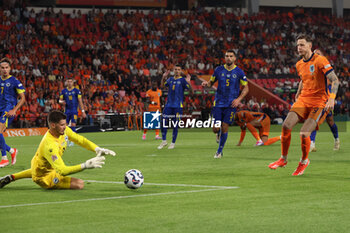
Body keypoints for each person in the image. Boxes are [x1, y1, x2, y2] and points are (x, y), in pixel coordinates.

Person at [268, 35, 339, 176]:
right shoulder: (299, 64)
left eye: (302, 45)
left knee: (304, 133)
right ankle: (283, 159)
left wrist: (331, 99)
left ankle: (304, 161)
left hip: (319, 102)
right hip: (303, 100)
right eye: (298, 45)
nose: (299, 48)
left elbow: (335, 80)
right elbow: (303, 79)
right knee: (286, 125)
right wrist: (299, 92)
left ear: (309, 45)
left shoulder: (320, 60)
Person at [0, 110, 116, 189]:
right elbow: (62, 170)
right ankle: (16, 178)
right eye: (62, 125)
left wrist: (96, 148)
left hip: (40, 165)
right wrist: (85, 165)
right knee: (80, 184)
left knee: (39, 168)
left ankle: (11, 177)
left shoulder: (63, 131)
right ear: (53, 125)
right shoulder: (50, 145)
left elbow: (80, 140)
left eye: (65, 124)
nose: (65, 127)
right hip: (44, 177)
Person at [202, 50, 249, 158]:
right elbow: (211, 82)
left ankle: (219, 151)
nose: (228, 58)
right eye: (227, 56)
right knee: (215, 129)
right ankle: (218, 134)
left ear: (235, 58)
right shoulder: (218, 70)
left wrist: (238, 99)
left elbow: (246, 88)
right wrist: (206, 84)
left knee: (225, 126)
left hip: (231, 104)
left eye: (231, 56)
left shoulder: (239, 72)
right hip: (218, 103)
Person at [309, 49, 340, 151]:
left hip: (327, 98)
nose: (316, 55)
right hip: (316, 99)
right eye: (315, 53)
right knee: (314, 119)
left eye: (318, 54)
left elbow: (333, 82)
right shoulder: (311, 68)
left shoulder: (326, 67)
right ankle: (312, 144)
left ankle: (336, 139)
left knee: (330, 121)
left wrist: (331, 98)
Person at [157, 65, 192, 149]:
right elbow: (162, 86)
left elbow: (191, 91)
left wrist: (189, 82)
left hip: (178, 106)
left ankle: (173, 143)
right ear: (173, 70)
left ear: (181, 71)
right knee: (163, 122)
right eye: (175, 69)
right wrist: (163, 77)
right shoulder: (170, 79)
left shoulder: (183, 80)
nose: (177, 71)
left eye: (178, 69)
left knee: (175, 124)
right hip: (168, 105)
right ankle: (164, 141)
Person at [0, 58, 26, 167]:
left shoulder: (14, 81)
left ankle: (4, 158)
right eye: (2, 68)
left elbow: (23, 98)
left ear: (10, 68)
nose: (5, 70)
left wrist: (14, 110)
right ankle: (11, 151)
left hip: (8, 110)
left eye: (7, 67)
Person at [59, 77, 86, 146]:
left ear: (73, 82)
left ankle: (72, 141)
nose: (69, 83)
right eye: (68, 81)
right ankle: (65, 140)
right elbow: (60, 100)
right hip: (66, 111)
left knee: (73, 125)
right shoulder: (63, 91)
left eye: (71, 81)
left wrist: (83, 111)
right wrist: (62, 102)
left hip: (74, 111)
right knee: (65, 126)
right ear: (66, 83)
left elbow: (80, 101)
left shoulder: (77, 91)